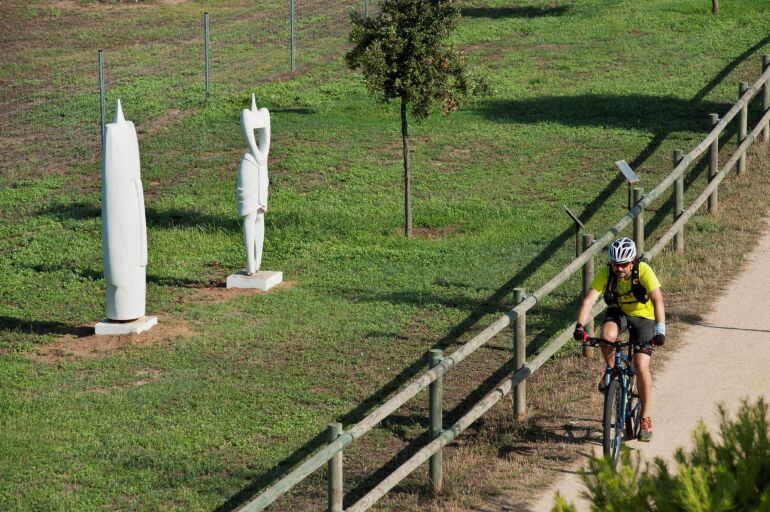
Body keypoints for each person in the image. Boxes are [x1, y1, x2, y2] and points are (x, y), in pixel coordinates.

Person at [573, 237, 666, 442]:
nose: (619, 269)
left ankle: (645, 419)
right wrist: (579, 326)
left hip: (645, 317)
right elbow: (589, 300)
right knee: (606, 337)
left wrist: (660, 330)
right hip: (620, 312)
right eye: (615, 264)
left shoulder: (643, 271)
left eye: (623, 264)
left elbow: (658, 300)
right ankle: (612, 370)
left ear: (632, 262)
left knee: (641, 365)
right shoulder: (607, 273)